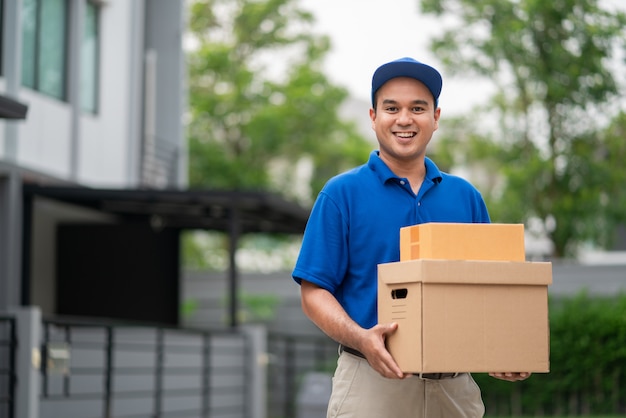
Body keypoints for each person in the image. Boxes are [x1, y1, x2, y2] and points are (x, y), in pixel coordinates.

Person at [291, 57, 531, 417]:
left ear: (435, 118)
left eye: (418, 108)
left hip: (454, 389)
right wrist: (361, 338)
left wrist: (502, 348)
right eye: (392, 108)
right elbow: (312, 292)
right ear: (373, 117)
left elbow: (492, 289)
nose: (404, 119)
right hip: (371, 384)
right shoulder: (341, 193)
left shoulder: (465, 197)